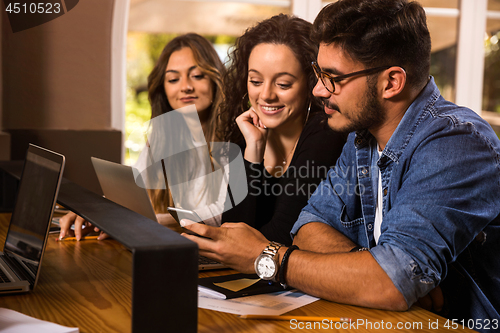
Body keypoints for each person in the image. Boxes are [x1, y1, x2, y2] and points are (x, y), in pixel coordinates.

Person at [182, 0, 500, 326]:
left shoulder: (457, 145)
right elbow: (307, 228)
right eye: (319, 73)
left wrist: (266, 257)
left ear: (392, 82)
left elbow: (389, 285)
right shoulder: (361, 138)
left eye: (333, 77)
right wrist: (371, 268)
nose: (319, 89)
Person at [59, 33, 226, 240]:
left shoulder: (237, 139)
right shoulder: (161, 140)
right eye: (173, 79)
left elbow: (221, 216)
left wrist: (150, 219)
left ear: (215, 78)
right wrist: (96, 212)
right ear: (163, 89)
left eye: (197, 75)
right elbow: (130, 192)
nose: (185, 86)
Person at [217, 14, 346, 245]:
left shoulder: (324, 133)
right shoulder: (245, 133)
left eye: (283, 84)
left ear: (311, 83)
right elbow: (231, 231)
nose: (266, 95)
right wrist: (253, 149)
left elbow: (283, 236)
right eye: (255, 81)